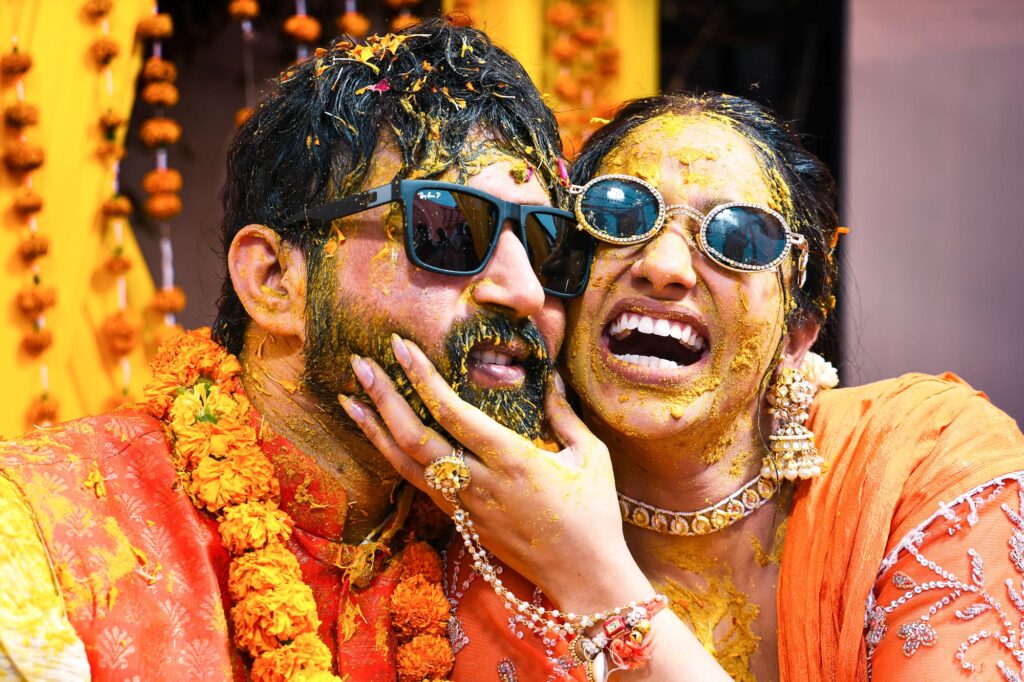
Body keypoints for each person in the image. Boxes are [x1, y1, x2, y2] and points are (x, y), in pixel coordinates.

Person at [345, 92, 1024, 681]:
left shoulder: (922, 463)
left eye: (740, 237)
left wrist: (590, 575)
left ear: (799, 331)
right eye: (616, 214)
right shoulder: (468, 510)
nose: (665, 266)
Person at [0, 19, 591, 681]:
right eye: (447, 227)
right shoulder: (39, 533)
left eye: (545, 242)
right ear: (274, 282)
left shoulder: (537, 556)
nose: (524, 289)